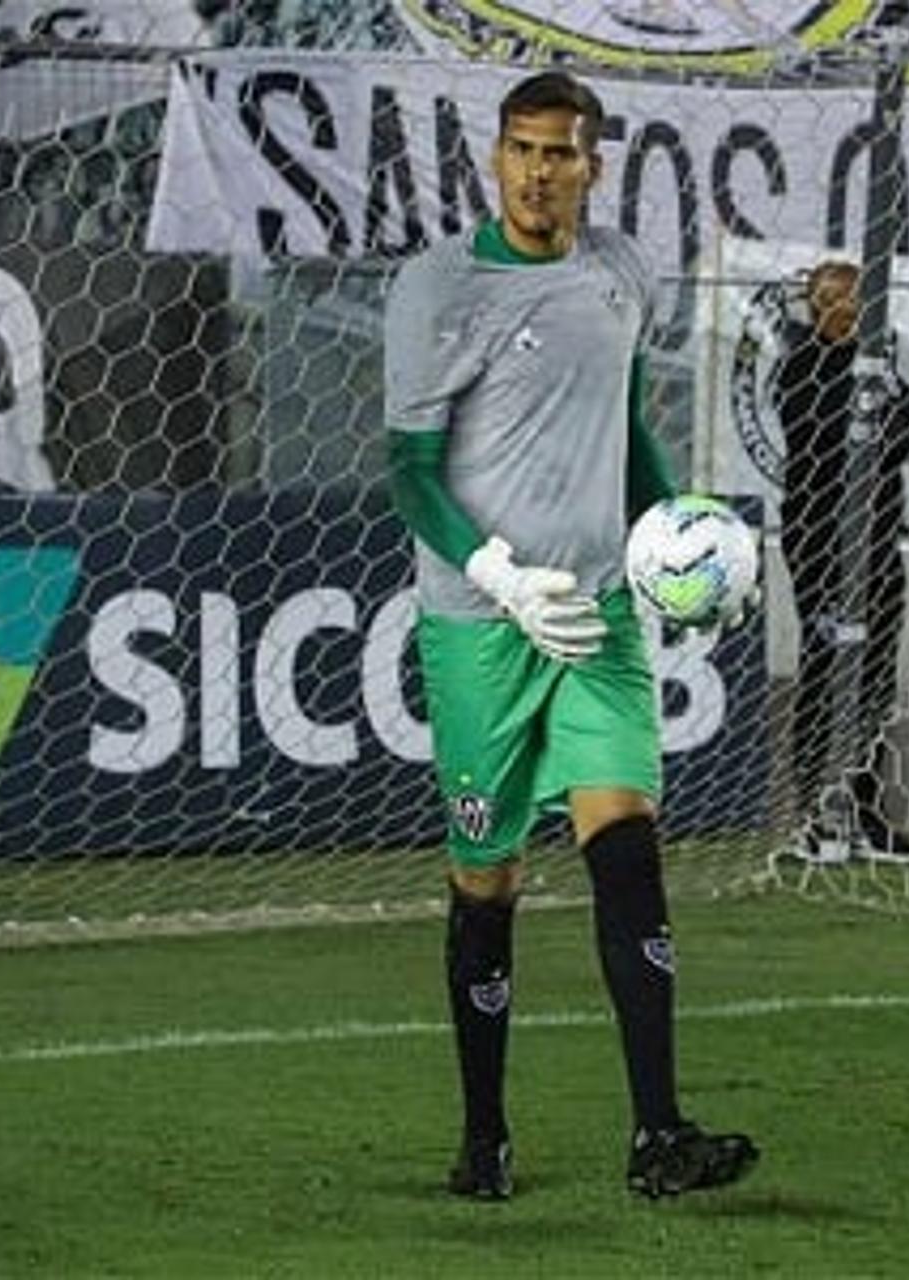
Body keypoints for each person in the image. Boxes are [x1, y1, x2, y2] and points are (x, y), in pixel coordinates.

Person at [383, 69, 759, 1202]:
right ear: (496, 158)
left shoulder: (621, 274)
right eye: (523, 149)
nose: (541, 171)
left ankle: (659, 1135)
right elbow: (409, 472)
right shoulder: (437, 288)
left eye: (562, 152)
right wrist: (494, 571)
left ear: (596, 164)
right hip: (479, 629)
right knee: (485, 878)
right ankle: (484, 1134)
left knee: (627, 844)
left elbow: (630, 424)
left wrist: (682, 541)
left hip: (597, 614)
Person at [773, 258, 909, 864]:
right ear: (823, 309)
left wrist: (891, 429)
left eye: (864, 300)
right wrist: (886, 431)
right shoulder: (803, 370)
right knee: (824, 667)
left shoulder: (879, 368)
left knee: (875, 674)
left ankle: (863, 809)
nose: (858, 310)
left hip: (879, 538)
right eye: (844, 301)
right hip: (821, 543)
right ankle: (814, 812)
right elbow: (841, 442)